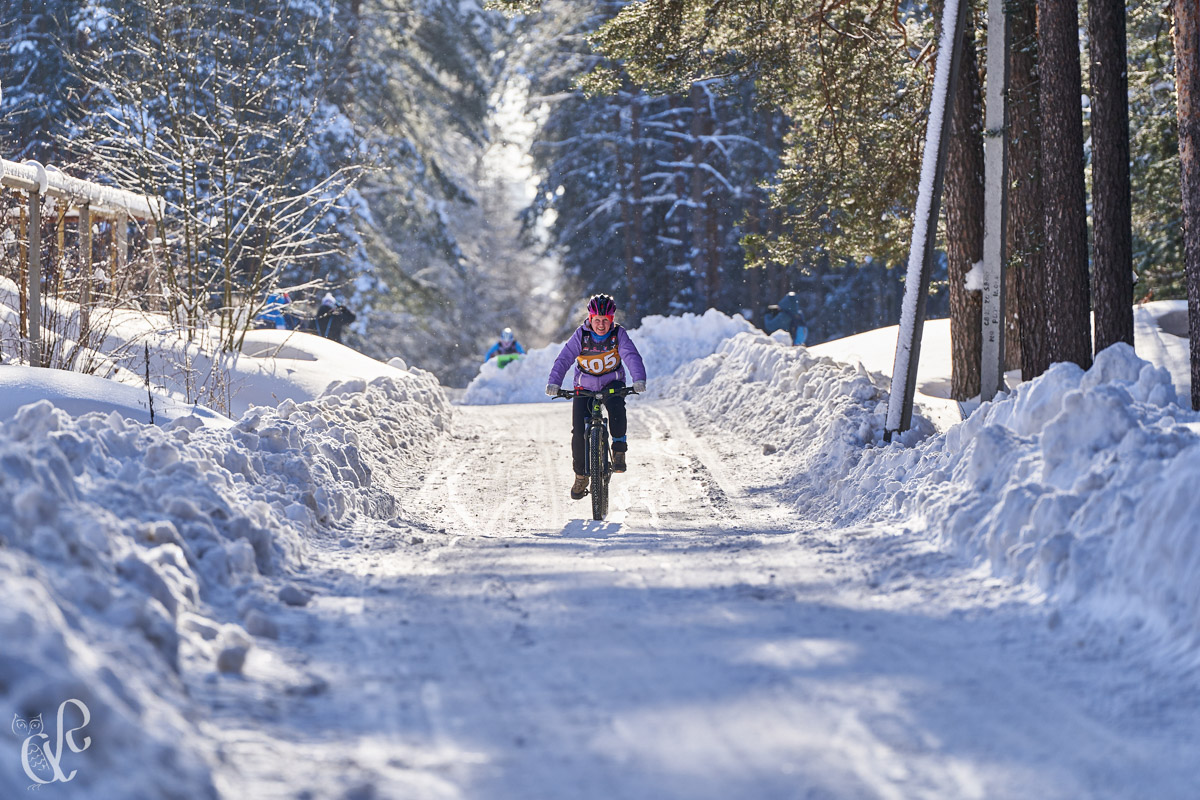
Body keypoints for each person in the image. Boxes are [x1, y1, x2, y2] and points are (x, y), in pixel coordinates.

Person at [545, 294, 647, 500]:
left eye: (606, 320)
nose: (601, 324)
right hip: (584, 385)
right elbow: (564, 359)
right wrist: (554, 382)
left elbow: (631, 356)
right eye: (597, 320)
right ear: (590, 319)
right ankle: (581, 475)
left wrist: (639, 379)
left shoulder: (618, 334)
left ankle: (618, 450)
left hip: (612, 382)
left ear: (612, 319)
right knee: (578, 432)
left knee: (617, 407)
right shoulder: (581, 335)